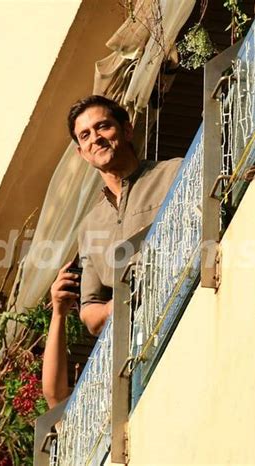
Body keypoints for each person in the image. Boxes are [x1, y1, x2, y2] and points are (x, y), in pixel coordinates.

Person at [42, 95, 181, 407]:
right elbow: (90, 311)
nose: (96, 138)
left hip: (186, 312)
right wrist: (117, 307)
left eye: (103, 126)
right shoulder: (90, 227)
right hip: (139, 357)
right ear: (81, 153)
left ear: (127, 130)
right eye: (86, 135)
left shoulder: (173, 173)